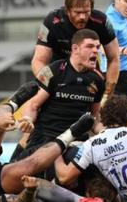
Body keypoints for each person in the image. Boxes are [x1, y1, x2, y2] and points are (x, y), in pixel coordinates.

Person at [13, 29, 105, 174]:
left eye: (97, 47)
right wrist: (28, 119)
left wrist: (105, 133)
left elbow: (94, 117)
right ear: (75, 49)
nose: (95, 51)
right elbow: (33, 104)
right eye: (90, 46)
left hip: (75, 142)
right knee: (15, 175)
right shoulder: (53, 70)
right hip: (45, 139)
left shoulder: (98, 80)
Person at [32, 0, 119, 98]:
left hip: (89, 72)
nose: (82, 17)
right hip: (58, 71)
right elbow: (38, 60)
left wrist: (107, 94)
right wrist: (49, 84)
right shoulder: (52, 21)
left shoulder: (102, 21)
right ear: (67, 10)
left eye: (86, 12)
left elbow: (114, 59)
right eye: (77, 12)